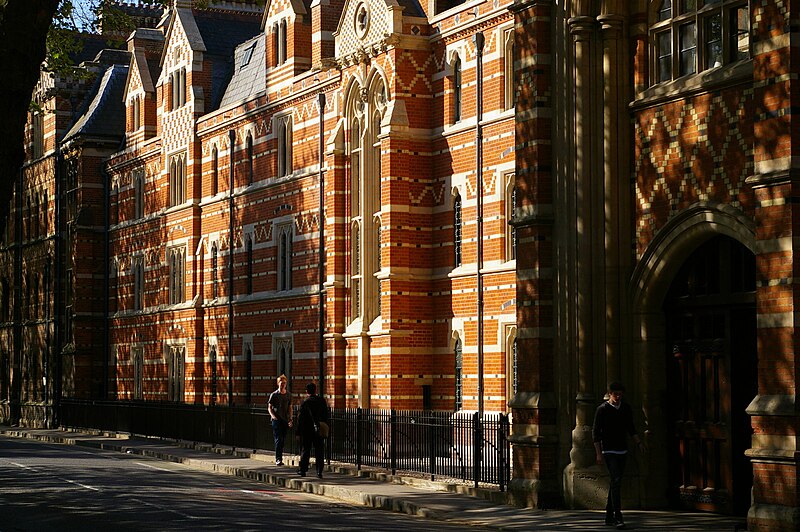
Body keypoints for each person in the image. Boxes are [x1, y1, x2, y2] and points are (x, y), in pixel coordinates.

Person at [593, 381, 644, 530]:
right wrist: (598, 454)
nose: (618, 397)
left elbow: (631, 427)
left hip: (622, 449)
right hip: (609, 450)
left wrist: (639, 443)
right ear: (610, 394)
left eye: (620, 394)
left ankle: (609, 516)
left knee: (616, 482)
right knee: (615, 479)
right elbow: (596, 433)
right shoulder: (602, 410)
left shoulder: (625, 408)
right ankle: (618, 516)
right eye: (616, 394)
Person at [296, 382, 328, 479]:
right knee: (319, 451)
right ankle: (319, 471)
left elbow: (300, 419)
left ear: (307, 392)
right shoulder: (321, 401)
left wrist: (298, 432)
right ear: (315, 390)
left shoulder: (305, 403)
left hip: (307, 430)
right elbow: (325, 415)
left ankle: (303, 470)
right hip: (318, 428)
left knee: (306, 450)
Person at [268, 375, 292, 466]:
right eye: (281, 383)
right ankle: (278, 459)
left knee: (283, 440)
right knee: (278, 439)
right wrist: (273, 416)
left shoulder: (288, 395)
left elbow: (290, 407)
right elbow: (269, 407)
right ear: (278, 383)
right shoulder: (274, 394)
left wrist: (290, 419)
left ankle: (280, 457)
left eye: (284, 383)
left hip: (285, 420)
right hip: (276, 420)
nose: (283, 385)